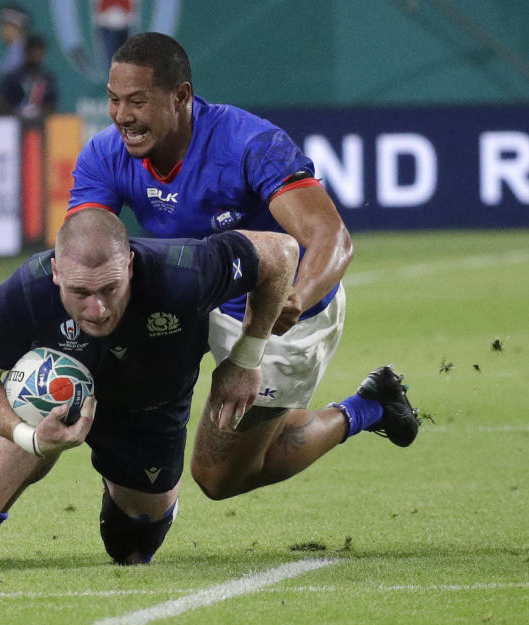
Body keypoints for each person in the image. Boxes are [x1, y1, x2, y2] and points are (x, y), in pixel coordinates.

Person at [0, 208, 323, 568]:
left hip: (147, 416)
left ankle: (128, 497)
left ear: (130, 263)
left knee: (131, 548)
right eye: (80, 292)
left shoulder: (184, 272)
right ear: (57, 272)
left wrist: (246, 358)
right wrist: (29, 438)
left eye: (110, 288)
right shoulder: (30, 288)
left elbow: (280, 251)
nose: (97, 308)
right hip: (45, 405)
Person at [67, 32, 421, 503]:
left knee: (218, 477)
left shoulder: (251, 145)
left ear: (181, 96)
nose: (122, 117)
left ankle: (367, 408)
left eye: (137, 101)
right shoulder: (103, 155)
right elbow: (82, 247)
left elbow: (332, 237)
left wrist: (297, 296)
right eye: (113, 101)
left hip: (274, 316)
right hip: (194, 296)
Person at [0, 33, 58, 120]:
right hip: (13, 124)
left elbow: (52, 104)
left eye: (40, 51)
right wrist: (17, 112)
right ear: (26, 52)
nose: (37, 55)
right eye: (33, 51)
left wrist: (40, 111)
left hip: (40, 124)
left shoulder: (47, 78)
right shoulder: (13, 78)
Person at [0, 3, 29, 77]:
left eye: (4, 25)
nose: (0, 30)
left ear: (15, 27)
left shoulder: (22, 53)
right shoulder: (13, 50)